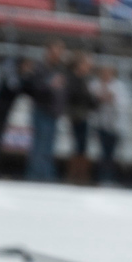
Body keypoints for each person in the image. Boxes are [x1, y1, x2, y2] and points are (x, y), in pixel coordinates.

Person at [23, 43, 67, 183]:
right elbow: (34, 88)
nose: (57, 56)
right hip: (41, 110)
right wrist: (50, 84)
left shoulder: (59, 69)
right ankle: (35, 175)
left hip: (53, 112)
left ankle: (46, 175)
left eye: (59, 53)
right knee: (39, 145)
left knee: (49, 146)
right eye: (55, 52)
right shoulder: (40, 68)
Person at [64, 53, 96, 184]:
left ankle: (80, 175)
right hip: (77, 115)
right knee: (79, 145)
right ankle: (76, 175)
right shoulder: (74, 79)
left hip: (82, 115)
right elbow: (78, 97)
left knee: (81, 146)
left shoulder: (83, 79)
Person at [93, 65, 124, 185]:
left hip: (114, 125)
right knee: (102, 152)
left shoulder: (118, 86)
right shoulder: (96, 84)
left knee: (111, 153)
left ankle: (109, 177)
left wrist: (113, 99)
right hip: (100, 123)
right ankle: (101, 177)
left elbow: (123, 104)